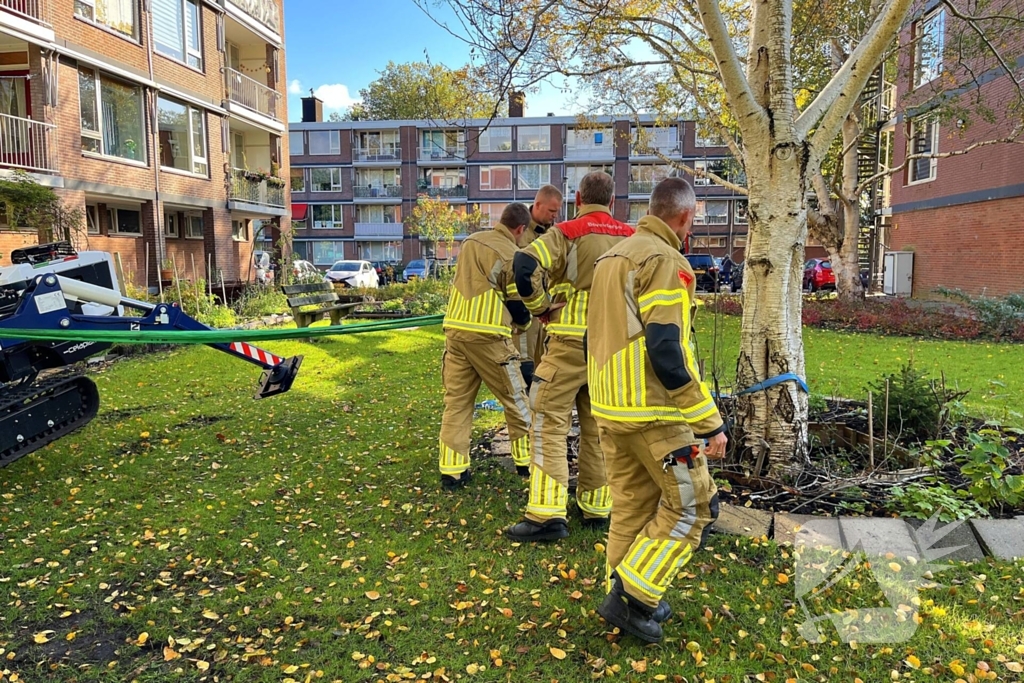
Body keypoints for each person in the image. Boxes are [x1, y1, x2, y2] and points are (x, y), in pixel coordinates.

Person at [588, 177, 727, 643]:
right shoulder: (666, 260)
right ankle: (634, 596)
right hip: (653, 411)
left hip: (609, 407)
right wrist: (709, 421)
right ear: (685, 217)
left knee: (632, 506)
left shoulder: (612, 257)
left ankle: (625, 593)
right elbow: (667, 351)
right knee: (695, 503)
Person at [505, 172, 634, 540]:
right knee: (600, 429)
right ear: (612, 201)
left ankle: (546, 515)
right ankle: (596, 506)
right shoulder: (633, 237)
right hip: (612, 350)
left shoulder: (566, 232)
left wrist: (540, 307)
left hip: (568, 344)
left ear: (578, 198)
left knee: (548, 422)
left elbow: (524, 266)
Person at [438, 203, 535, 489]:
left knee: (457, 403)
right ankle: (526, 463)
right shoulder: (512, 253)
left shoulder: (470, 242)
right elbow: (517, 304)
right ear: (520, 229)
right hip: (490, 337)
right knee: (517, 400)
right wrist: (526, 324)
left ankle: (453, 472)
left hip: (456, 333)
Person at [512, 184, 564, 398]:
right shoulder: (519, 231)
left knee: (543, 364)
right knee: (524, 363)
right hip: (525, 311)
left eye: (557, 212)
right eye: (552, 211)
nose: (555, 216)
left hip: (545, 309)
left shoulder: (553, 234)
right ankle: (524, 413)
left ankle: (537, 407)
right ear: (538, 205)